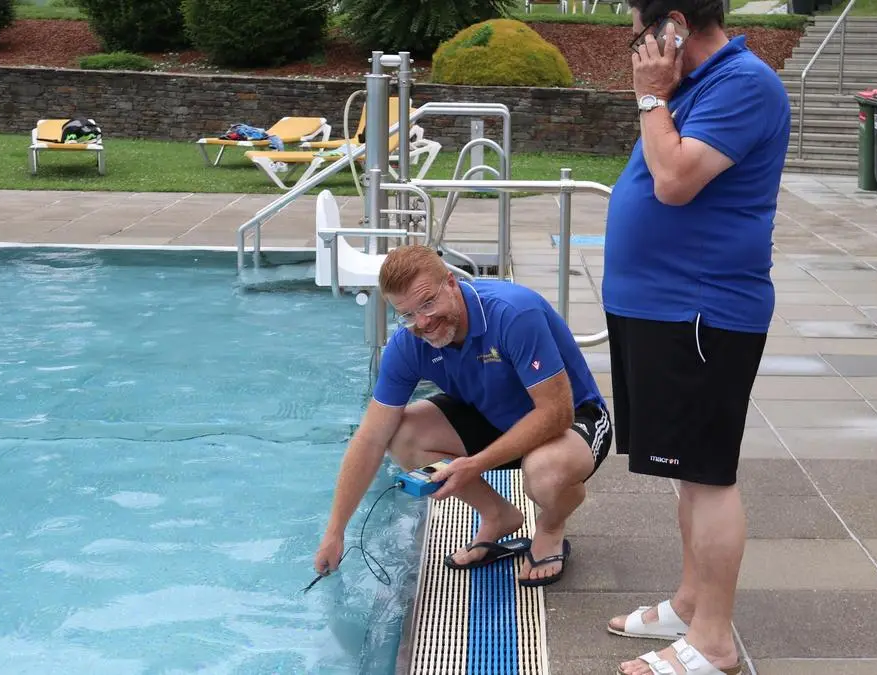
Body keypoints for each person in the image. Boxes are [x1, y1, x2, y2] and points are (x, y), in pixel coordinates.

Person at [601, 0, 790, 674]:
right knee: (684, 472)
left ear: (671, 28)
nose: (633, 52)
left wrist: (653, 97)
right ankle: (690, 600)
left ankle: (714, 638)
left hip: (702, 313)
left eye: (636, 36)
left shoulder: (745, 84)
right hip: (662, 307)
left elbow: (675, 180)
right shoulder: (694, 88)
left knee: (708, 474)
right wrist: (663, 94)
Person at [314, 244, 612, 587]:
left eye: (428, 303)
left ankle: (551, 525)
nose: (422, 322)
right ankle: (497, 515)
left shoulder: (513, 313)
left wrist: (477, 463)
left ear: (452, 283)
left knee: (545, 474)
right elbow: (369, 439)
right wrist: (335, 531)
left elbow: (556, 413)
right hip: (494, 416)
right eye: (408, 314)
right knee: (400, 435)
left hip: (573, 418)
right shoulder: (407, 344)